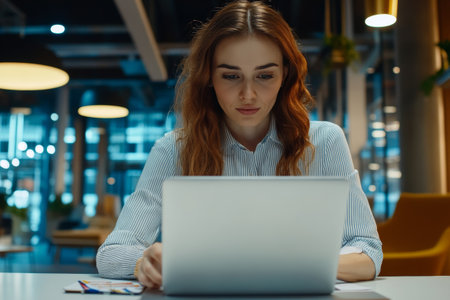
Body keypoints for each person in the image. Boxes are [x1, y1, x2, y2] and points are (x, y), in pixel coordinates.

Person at [96, 0, 382, 288]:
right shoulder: (173, 150)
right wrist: (142, 263)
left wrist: (297, 265)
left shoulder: (325, 142)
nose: (248, 94)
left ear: (285, 74)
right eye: (231, 76)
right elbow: (111, 254)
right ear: (209, 77)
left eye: (265, 76)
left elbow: (368, 251)